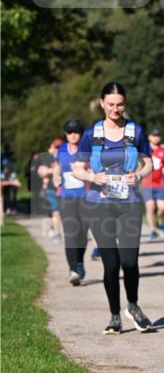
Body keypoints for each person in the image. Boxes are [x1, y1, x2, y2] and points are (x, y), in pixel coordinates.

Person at [72, 82, 155, 334]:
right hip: (100, 206)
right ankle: (114, 316)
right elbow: (77, 168)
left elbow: (149, 162)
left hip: (129, 204)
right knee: (111, 263)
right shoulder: (91, 134)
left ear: (125, 104)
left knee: (129, 261)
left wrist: (139, 175)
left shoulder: (136, 131)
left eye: (120, 104)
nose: (115, 109)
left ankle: (133, 305)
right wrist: (91, 177)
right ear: (102, 103)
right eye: (111, 104)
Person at [54, 120, 89, 285]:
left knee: (81, 234)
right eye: (69, 132)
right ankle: (73, 270)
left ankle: (80, 261)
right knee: (70, 234)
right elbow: (56, 167)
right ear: (66, 135)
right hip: (66, 197)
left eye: (76, 132)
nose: (73, 135)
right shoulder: (61, 150)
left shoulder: (87, 150)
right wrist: (55, 177)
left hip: (86, 197)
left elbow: (95, 169)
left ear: (81, 134)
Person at [141, 128, 164, 240]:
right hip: (147, 183)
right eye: (153, 135)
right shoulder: (144, 148)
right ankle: (152, 230)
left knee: (162, 207)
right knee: (150, 207)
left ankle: (160, 222)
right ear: (149, 136)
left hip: (161, 182)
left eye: (158, 135)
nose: (156, 137)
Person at [37, 140, 64, 241]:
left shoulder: (62, 156)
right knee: (56, 211)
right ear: (52, 146)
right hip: (51, 188)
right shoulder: (47, 157)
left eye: (59, 147)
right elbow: (41, 171)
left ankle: (54, 229)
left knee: (60, 211)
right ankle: (57, 233)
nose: (57, 149)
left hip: (61, 188)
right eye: (56, 147)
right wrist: (53, 170)